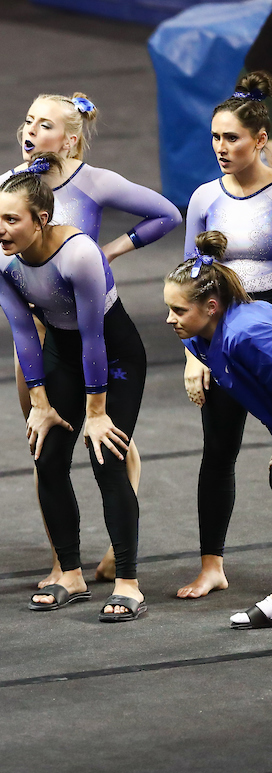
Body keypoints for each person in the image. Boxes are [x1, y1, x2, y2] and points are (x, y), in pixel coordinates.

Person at [0, 92, 181, 588]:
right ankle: (64, 565)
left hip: (96, 329)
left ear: (70, 139)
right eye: (28, 120)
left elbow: (167, 215)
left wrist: (110, 252)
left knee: (108, 445)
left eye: (44, 124)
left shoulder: (92, 185)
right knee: (45, 447)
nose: (30, 131)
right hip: (41, 336)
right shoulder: (4, 193)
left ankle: (120, 558)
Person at [0, 159, 148, 622]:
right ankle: (71, 574)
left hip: (113, 356)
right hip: (60, 351)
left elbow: (94, 336)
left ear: (41, 219)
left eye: (11, 219)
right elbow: (22, 330)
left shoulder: (79, 255)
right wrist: (39, 403)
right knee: (49, 457)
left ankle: (129, 584)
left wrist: (96, 413)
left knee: (107, 459)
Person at [178, 71, 272, 599]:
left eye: (232, 137)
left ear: (260, 139)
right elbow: (189, 281)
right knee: (218, 450)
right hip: (220, 334)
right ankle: (211, 564)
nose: (220, 147)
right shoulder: (203, 198)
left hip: (269, 331)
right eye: (214, 137)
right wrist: (194, 355)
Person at [164, 232, 272, 629]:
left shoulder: (249, 336)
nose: (169, 319)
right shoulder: (202, 339)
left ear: (211, 307)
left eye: (178, 310)